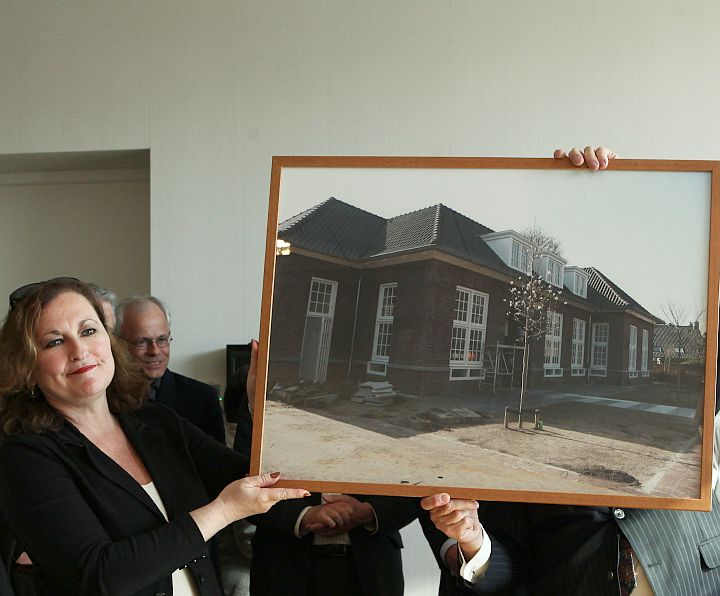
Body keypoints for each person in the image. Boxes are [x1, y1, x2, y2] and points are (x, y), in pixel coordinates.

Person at [421, 146, 720, 596]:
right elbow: (499, 563)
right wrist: (473, 541)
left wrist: (621, 179)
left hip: (690, 574)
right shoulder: (466, 441)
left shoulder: (692, 261)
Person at [0, 278, 308, 596]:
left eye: (88, 331)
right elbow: (101, 575)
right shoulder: (25, 457)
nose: (79, 351)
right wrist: (223, 511)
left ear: (110, 341)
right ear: (27, 368)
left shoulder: (157, 422)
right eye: (54, 342)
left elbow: (255, 479)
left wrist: (263, 409)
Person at [116, 295, 226, 443]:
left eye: (162, 340)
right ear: (118, 343)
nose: (155, 351)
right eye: (142, 342)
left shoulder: (202, 398)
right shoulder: (104, 397)